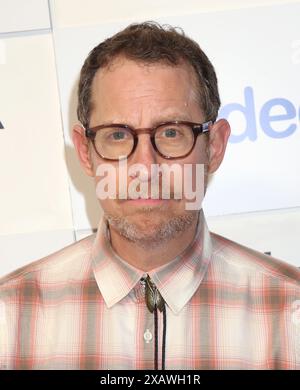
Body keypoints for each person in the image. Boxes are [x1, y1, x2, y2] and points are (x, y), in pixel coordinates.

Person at [0, 22, 299, 370]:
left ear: (214, 146)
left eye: (171, 132)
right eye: (117, 135)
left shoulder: (290, 312)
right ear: (85, 152)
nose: (144, 166)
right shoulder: (11, 319)